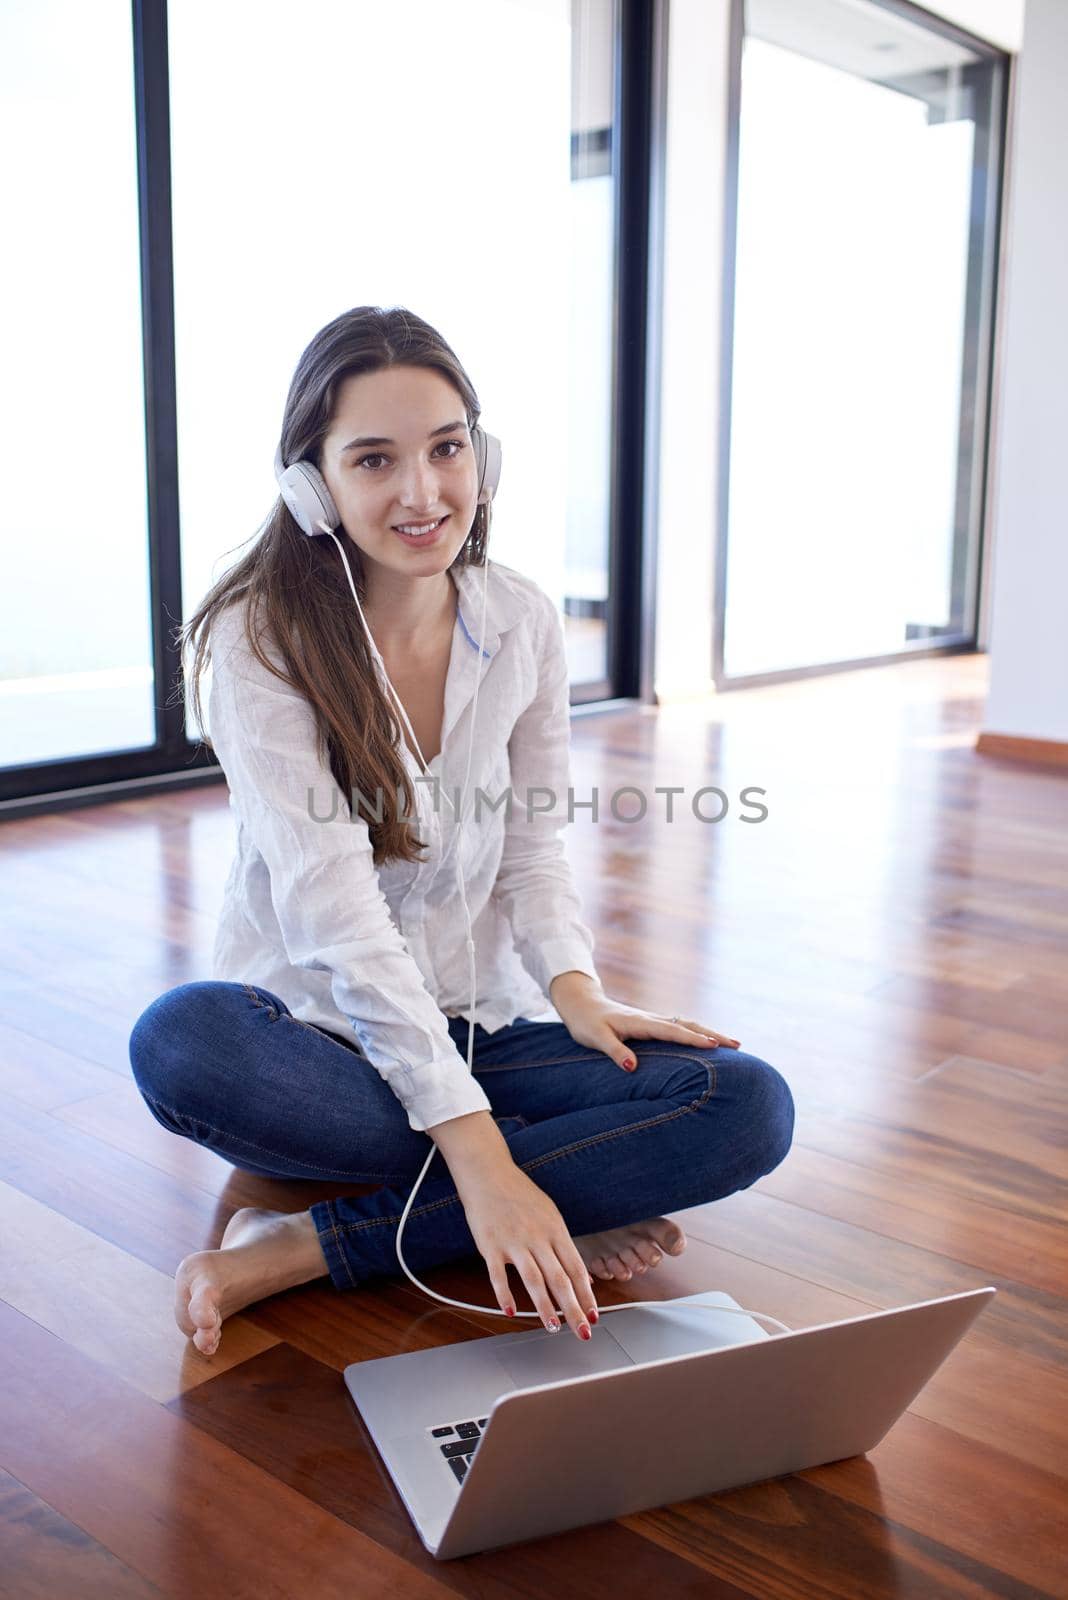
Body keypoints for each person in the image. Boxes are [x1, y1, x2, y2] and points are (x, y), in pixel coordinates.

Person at [128, 305, 795, 1359]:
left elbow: (533, 849)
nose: (422, 492)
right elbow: (337, 918)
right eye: (374, 459)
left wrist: (577, 995)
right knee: (179, 1043)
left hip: (488, 1028)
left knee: (746, 1103)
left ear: (481, 455)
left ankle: (307, 1245)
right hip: (318, 1042)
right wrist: (484, 1156)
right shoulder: (258, 643)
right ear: (314, 483)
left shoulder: (521, 620)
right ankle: (541, 1181)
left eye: (445, 449)